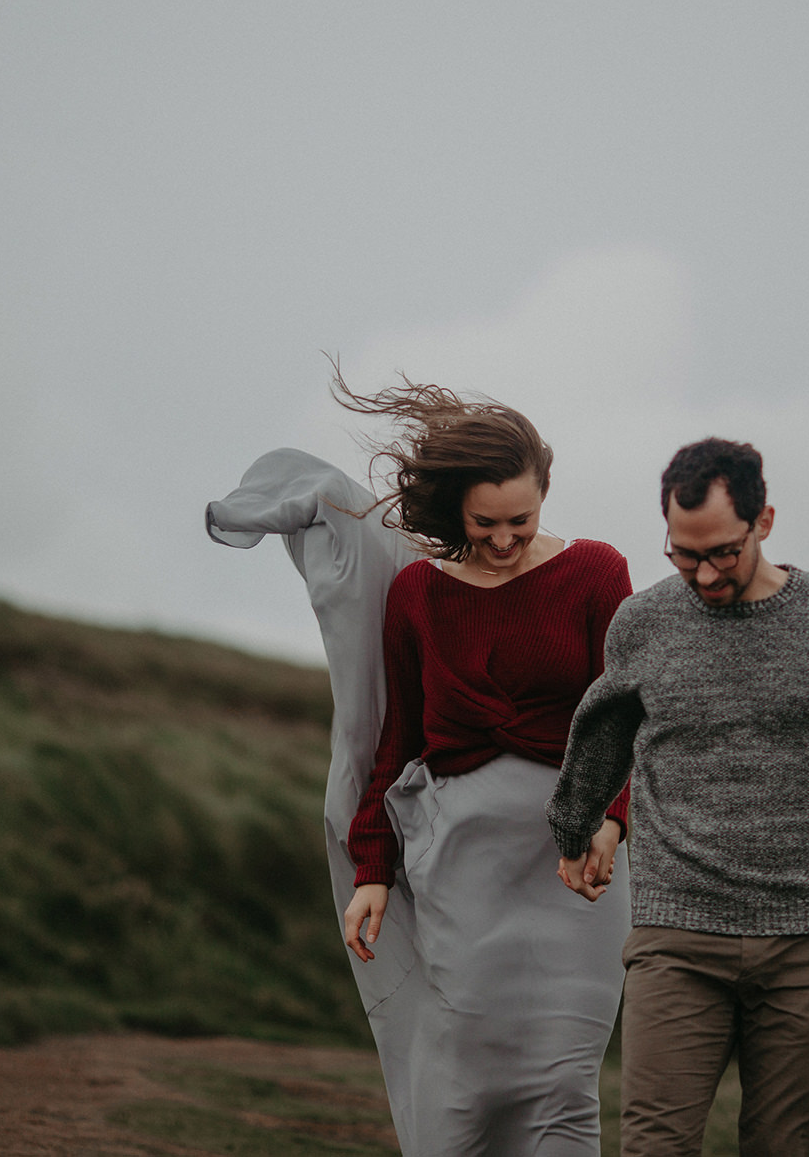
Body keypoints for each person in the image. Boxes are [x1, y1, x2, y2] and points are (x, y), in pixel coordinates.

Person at [207, 374, 632, 1156]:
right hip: (461, 860)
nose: (504, 540)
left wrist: (612, 817)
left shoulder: (598, 571)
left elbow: (622, 713)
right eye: (484, 524)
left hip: (575, 864)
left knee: (565, 1085)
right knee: (469, 1075)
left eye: (521, 520)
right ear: (452, 510)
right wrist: (372, 868)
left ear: (545, 495)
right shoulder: (417, 596)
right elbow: (395, 741)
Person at [546, 437, 809, 1157]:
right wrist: (581, 829)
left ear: (765, 522)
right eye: (683, 554)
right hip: (677, 935)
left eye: (722, 551)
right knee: (652, 1147)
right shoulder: (644, 622)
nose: (702, 573)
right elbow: (603, 736)